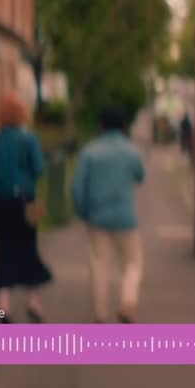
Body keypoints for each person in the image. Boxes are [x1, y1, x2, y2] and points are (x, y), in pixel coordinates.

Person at [0, 93, 52, 323]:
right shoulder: (29, 139)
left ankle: (4, 306)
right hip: (26, 200)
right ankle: (34, 301)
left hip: (0, 202)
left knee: (4, 250)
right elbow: (39, 168)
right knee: (29, 248)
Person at [70, 107, 145, 324]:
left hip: (97, 217)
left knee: (99, 263)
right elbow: (140, 176)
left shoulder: (90, 151)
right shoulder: (131, 151)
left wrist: (84, 211)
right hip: (125, 217)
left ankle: (100, 313)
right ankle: (127, 302)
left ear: (101, 126)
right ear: (123, 127)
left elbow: (77, 187)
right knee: (133, 262)